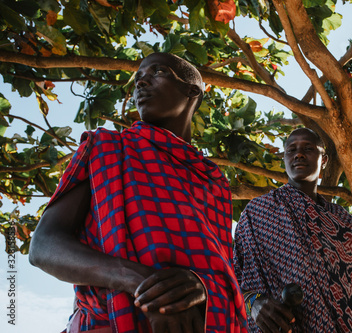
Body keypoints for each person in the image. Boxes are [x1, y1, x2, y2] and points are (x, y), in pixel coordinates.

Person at [29, 52, 247, 333]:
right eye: (138, 79)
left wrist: (201, 289)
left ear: (192, 91)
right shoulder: (106, 149)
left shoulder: (213, 182)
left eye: (157, 72)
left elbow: (223, 276)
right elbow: (44, 246)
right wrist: (142, 282)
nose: (141, 83)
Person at [233, 128, 352, 332]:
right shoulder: (257, 213)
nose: (299, 154)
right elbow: (234, 282)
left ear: (324, 160)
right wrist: (255, 305)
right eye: (291, 149)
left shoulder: (346, 224)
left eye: (308, 148)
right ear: (284, 159)